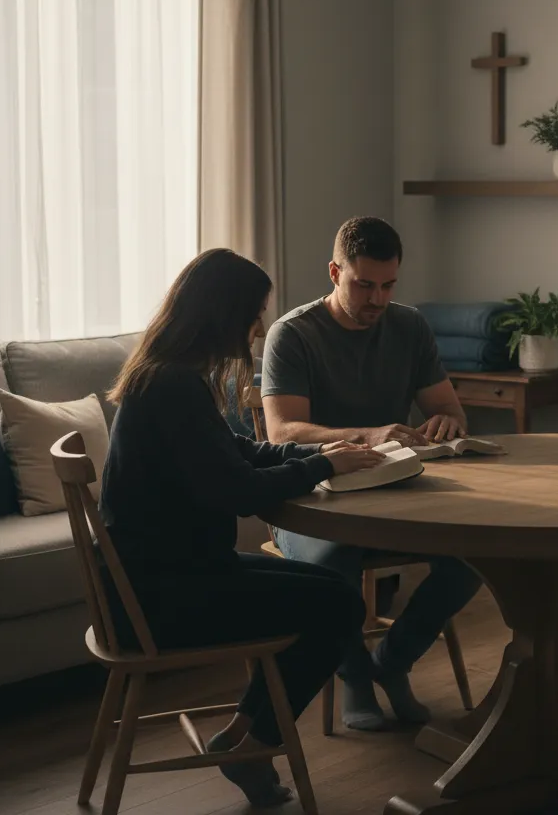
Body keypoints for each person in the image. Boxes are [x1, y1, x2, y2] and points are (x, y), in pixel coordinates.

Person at [101, 249, 385, 806]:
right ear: (222, 313)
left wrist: (314, 450)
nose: (258, 326)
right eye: (254, 313)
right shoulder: (172, 387)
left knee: (334, 591)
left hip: (164, 576)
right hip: (164, 597)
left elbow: (236, 453)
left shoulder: (167, 376)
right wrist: (324, 466)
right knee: (339, 606)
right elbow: (235, 492)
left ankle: (241, 738)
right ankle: (253, 744)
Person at [261, 216, 483, 731]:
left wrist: (447, 420)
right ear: (335, 271)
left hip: (394, 492)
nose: (377, 300)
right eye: (364, 284)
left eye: (388, 286)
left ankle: (391, 662)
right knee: (336, 559)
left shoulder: (408, 325)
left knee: (477, 555)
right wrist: (369, 434)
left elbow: (450, 409)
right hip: (311, 500)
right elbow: (281, 433)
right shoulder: (292, 334)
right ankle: (355, 680)